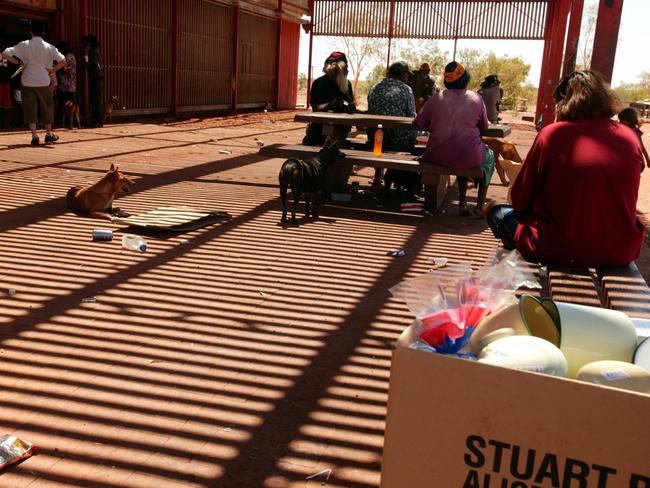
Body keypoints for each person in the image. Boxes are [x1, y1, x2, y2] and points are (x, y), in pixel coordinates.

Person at [486, 70, 645, 267]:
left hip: (556, 247)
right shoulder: (629, 137)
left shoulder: (552, 135)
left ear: (563, 102)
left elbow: (520, 201)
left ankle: (518, 270)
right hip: (620, 250)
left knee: (497, 212)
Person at [415, 61, 494, 216]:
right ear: (465, 79)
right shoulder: (476, 98)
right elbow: (484, 127)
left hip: (436, 155)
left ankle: (463, 203)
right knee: (487, 157)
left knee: (459, 152)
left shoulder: (436, 97)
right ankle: (478, 206)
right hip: (467, 155)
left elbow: (419, 122)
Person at [2, 20, 65, 145]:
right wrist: (52, 70)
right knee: (46, 107)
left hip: (27, 80)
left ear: (30, 31)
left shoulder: (24, 45)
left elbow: (5, 54)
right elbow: (63, 61)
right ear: (43, 32)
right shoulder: (49, 47)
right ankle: (48, 134)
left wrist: (18, 63)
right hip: (43, 80)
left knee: (30, 108)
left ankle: (35, 136)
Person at [303, 51, 355, 146]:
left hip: (341, 127)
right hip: (319, 127)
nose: (347, 71)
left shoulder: (347, 84)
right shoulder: (318, 83)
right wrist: (330, 104)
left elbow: (351, 106)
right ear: (337, 70)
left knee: (337, 142)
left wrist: (351, 106)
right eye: (346, 68)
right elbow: (316, 108)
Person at [367, 61, 417, 149]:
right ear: (404, 75)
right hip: (398, 140)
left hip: (375, 137)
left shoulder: (374, 87)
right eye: (407, 75)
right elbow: (412, 117)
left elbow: (370, 110)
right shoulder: (406, 89)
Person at [82, 34, 103, 128]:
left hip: (95, 77)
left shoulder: (92, 52)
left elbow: (91, 66)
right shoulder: (96, 51)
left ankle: (97, 120)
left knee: (95, 100)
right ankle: (97, 119)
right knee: (96, 99)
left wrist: (86, 57)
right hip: (98, 77)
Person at [56, 41, 76, 124]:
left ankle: (64, 121)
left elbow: (65, 69)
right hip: (71, 85)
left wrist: (56, 68)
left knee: (65, 105)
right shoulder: (72, 56)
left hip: (65, 85)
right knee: (70, 104)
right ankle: (69, 121)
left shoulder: (67, 57)